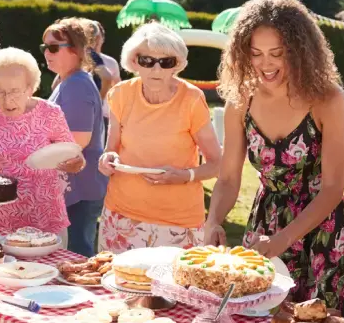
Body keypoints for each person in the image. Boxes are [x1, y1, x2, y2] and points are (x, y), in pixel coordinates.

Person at [205, 0, 344, 318]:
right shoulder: (240, 100)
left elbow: (333, 188)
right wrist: (213, 220)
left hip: (321, 230)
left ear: (300, 50)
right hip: (265, 226)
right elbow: (229, 177)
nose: (265, 64)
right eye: (256, 53)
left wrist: (284, 238)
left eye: (277, 53)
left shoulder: (329, 99)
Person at [98, 23, 222, 253]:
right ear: (134, 61)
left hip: (177, 222)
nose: (156, 70)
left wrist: (185, 176)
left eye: (166, 62)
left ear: (177, 64)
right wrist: (107, 160)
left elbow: (217, 164)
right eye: (147, 61)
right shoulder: (121, 94)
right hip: (121, 216)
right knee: (117, 286)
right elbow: (111, 149)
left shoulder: (191, 99)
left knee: (172, 289)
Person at [0, 47, 85, 243]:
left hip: (46, 214)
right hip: (2, 217)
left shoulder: (50, 114)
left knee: (51, 271)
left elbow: (74, 157)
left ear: (30, 88)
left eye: (14, 91)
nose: (7, 99)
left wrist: (76, 164)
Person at [44, 18, 107, 258]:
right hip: (78, 184)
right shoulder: (68, 81)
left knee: (76, 256)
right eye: (44, 47)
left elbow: (76, 142)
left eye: (52, 47)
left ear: (76, 50)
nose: (46, 53)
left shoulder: (76, 85)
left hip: (80, 186)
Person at [95, 21, 122, 145]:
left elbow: (119, 90)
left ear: (102, 38)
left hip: (105, 116)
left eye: (97, 36)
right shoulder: (77, 61)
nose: (94, 40)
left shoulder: (110, 62)